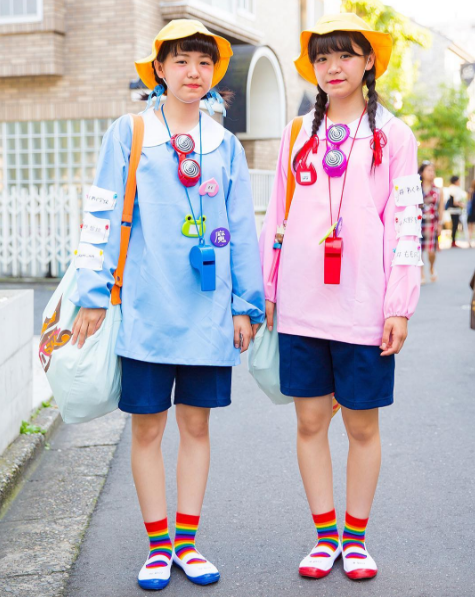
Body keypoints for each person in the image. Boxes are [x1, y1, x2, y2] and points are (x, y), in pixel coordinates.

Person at [69, 20, 265, 590]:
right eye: (181, 61)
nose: (192, 73)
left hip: (208, 316)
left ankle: (187, 543)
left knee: (197, 428)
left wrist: (246, 305)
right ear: (159, 68)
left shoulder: (224, 144)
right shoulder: (130, 132)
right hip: (146, 314)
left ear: (215, 73)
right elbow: (101, 213)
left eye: (204, 63)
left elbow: (239, 230)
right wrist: (94, 293)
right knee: (148, 430)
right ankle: (158, 547)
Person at [260, 13, 422, 581]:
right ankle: (324, 536)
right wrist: (271, 289)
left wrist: (399, 304)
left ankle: (356, 538)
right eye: (323, 58)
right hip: (303, 306)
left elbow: (405, 223)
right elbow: (276, 217)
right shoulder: (296, 133)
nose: (333, 67)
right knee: (308, 423)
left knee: (361, 426)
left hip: (363, 307)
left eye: (345, 55)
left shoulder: (393, 136)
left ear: (369, 61)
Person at [419, 161, 443, 283]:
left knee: (431, 251)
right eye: (428, 170)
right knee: (419, 249)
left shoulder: (438, 190)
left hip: (432, 222)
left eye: (432, 170)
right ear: (422, 172)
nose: (431, 173)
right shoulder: (416, 188)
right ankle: (421, 273)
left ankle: (432, 268)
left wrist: (440, 224)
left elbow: (441, 208)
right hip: (418, 221)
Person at [446, 175, 466, 247]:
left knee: (454, 225)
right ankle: (453, 241)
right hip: (455, 210)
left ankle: (453, 240)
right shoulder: (455, 189)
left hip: (453, 210)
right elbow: (455, 202)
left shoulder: (451, 188)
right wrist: (462, 205)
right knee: (455, 225)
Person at [467, 179, 475, 247]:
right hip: (472, 211)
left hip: (471, 212)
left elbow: (468, 201)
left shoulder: (470, 192)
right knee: (471, 227)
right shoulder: (471, 192)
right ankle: (469, 241)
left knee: (470, 227)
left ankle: (469, 241)